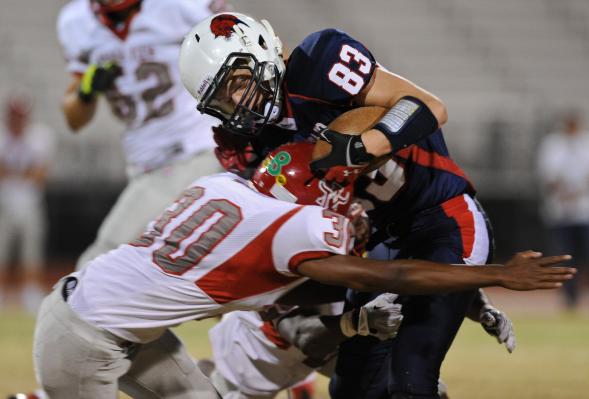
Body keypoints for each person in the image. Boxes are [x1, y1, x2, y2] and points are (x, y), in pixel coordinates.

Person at [32, 141, 573, 398]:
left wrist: (470, 300)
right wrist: (496, 273)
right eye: (334, 189)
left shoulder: (225, 188)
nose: (348, 200)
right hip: (88, 338)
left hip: (104, 311)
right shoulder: (296, 230)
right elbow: (397, 278)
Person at [179, 14, 515, 398]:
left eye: (238, 83)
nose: (238, 101)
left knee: (410, 379)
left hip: (443, 218)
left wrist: (361, 147)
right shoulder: (258, 147)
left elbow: (429, 107)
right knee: (353, 389)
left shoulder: (319, 63)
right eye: (223, 98)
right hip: (382, 245)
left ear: (262, 51)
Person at [56, 0, 229, 271]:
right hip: (144, 164)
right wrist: (86, 91)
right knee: (192, 267)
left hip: (194, 149)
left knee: (98, 263)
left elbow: (247, 45)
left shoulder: (178, 5)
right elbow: (75, 119)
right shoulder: (75, 21)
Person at [537, 110, 589, 309]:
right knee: (565, 258)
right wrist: (565, 189)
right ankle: (570, 300)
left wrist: (578, 189)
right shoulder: (552, 144)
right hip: (560, 211)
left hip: (585, 210)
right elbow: (547, 176)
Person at [0, 95, 54, 312]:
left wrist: (16, 174)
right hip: (4, 201)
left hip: (30, 200)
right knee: (2, 247)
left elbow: (40, 172)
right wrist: (22, 174)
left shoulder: (40, 136)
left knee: (32, 248)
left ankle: (30, 289)